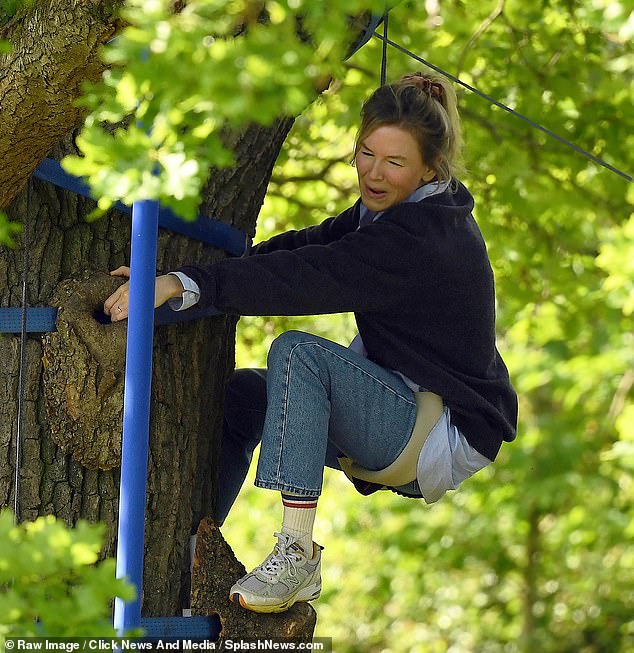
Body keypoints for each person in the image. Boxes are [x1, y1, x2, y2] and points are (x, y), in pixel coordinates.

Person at [104, 72, 518, 615]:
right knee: (243, 399)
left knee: (299, 355)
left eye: (394, 163)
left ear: (429, 169)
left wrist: (187, 285)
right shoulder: (401, 208)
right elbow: (301, 252)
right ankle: (195, 553)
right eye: (366, 153)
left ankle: (296, 551)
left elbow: (305, 279)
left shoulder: (419, 239)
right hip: (403, 401)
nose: (372, 173)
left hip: (436, 427)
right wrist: (178, 287)